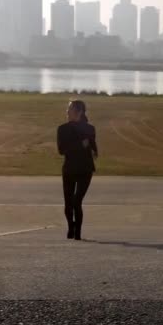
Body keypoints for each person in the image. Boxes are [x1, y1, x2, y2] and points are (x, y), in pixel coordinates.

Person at [57, 100, 97, 240]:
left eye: (70, 109)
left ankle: (78, 233)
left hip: (85, 170)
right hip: (69, 169)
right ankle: (71, 228)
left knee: (76, 201)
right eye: (67, 109)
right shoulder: (62, 129)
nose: (67, 111)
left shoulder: (90, 129)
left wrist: (93, 151)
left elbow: (93, 147)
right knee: (68, 203)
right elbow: (62, 150)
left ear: (79, 112)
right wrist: (81, 145)